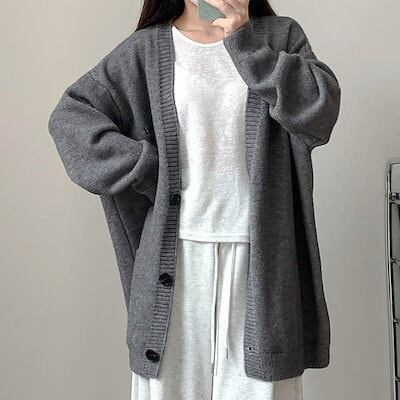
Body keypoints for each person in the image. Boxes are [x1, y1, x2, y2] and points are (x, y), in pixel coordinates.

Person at [48, 0, 341, 399]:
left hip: (261, 264)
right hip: (176, 263)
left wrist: (245, 43)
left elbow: (320, 112)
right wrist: (144, 167)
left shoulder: (279, 37)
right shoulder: (146, 50)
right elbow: (70, 119)